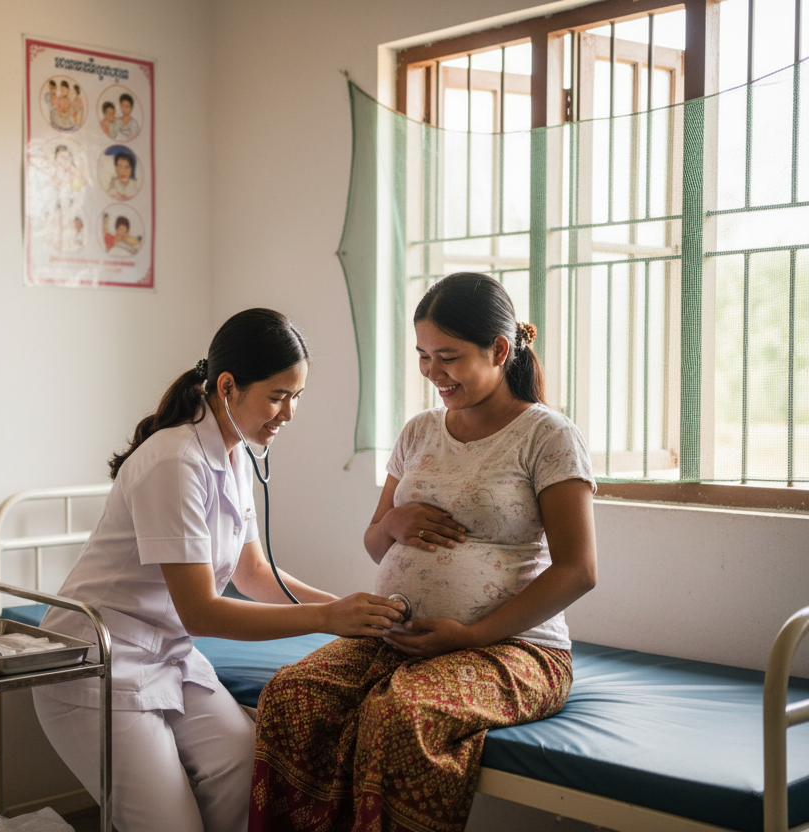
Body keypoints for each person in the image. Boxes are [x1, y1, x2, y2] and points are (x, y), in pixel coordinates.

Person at [249, 272, 598, 832]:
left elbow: (579, 571)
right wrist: (393, 520)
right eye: (422, 356)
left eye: (448, 357)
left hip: (511, 649)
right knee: (291, 695)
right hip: (396, 637)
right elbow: (372, 542)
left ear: (499, 350)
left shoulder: (547, 436)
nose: (433, 372)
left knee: (398, 716)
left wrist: (471, 635)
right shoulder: (418, 432)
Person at [32, 309, 402, 832]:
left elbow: (253, 573)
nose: (289, 414)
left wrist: (353, 612)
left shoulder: (234, 455)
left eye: (297, 396)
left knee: (243, 777)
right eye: (278, 396)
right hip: (98, 666)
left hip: (171, 657)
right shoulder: (173, 461)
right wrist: (327, 619)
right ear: (227, 387)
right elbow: (203, 611)